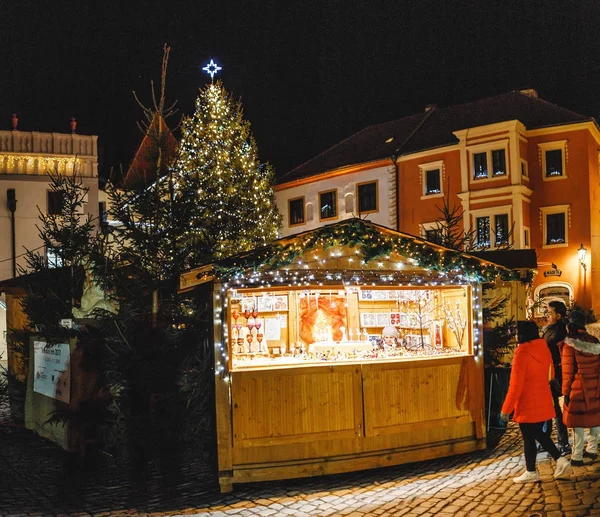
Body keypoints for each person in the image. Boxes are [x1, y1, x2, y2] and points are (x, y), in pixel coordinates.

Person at [500, 320, 571, 483]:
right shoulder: (543, 348)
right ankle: (555, 462)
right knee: (537, 434)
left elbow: (516, 385)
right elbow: (551, 374)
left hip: (527, 402)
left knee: (530, 436)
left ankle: (534, 470)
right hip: (543, 398)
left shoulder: (522, 352)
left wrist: (506, 409)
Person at [560, 310, 600, 466]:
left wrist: (565, 392)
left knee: (577, 422)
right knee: (595, 417)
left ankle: (577, 456)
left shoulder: (569, 344)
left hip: (578, 387)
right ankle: (592, 449)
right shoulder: (594, 341)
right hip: (596, 385)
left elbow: (567, 372)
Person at [541, 301, 571, 455]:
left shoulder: (558, 331)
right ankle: (545, 439)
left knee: (556, 410)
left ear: (558, 316)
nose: (547, 315)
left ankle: (563, 443)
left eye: (550, 313)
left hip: (556, 376)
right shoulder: (550, 329)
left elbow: (546, 347)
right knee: (550, 407)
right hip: (550, 373)